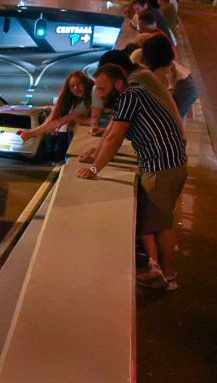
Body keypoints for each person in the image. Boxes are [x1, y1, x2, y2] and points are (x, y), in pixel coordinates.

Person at [77, 63, 188, 291]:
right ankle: (155, 269)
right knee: (150, 223)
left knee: (161, 225)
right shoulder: (134, 93)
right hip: (169, 164)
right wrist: (95, 152)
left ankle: (168, 277)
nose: (99, 94)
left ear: (118, 84)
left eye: (102, 89)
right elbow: (111, 131)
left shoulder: (128, 97)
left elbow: (114, 138)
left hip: (161, 167)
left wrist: (95, 169)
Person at [18, 69, 96, 157]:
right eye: (72, 86)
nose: (76, 88)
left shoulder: (94, 93)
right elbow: (60, 121)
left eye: (79, 83)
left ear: (85, 83)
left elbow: (96, 121)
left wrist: (80, 119)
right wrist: (32, 133)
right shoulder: (83, 102)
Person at [139, 34, 200, 120]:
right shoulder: (161, 63)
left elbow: (168, 117)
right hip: (185, 89)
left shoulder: (182, 85)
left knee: (169, 119)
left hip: (185, 91)